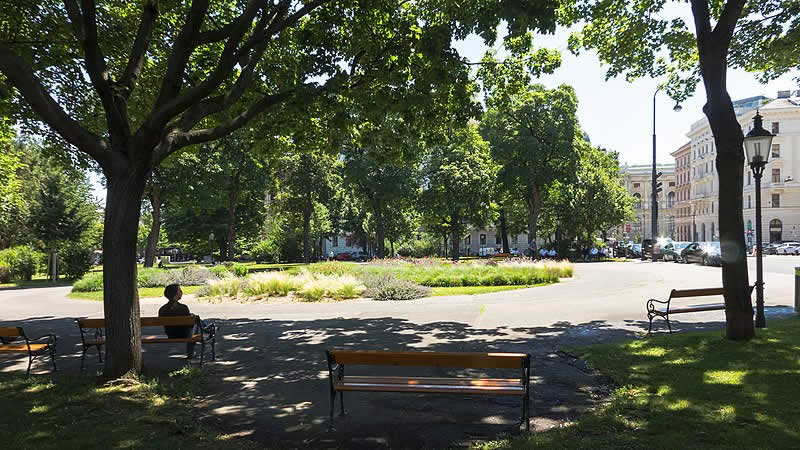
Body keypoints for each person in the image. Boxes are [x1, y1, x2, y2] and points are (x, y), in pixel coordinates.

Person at [159, 284, 195, 358]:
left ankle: (207, 328)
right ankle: (208, 329)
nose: (182, 292)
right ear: (175, 294)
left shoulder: (162, 309)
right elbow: (189, 325)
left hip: (171, 334)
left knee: (194, 318)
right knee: (196, 321)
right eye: (180, 290)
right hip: (184, 335)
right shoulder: (183, 308)